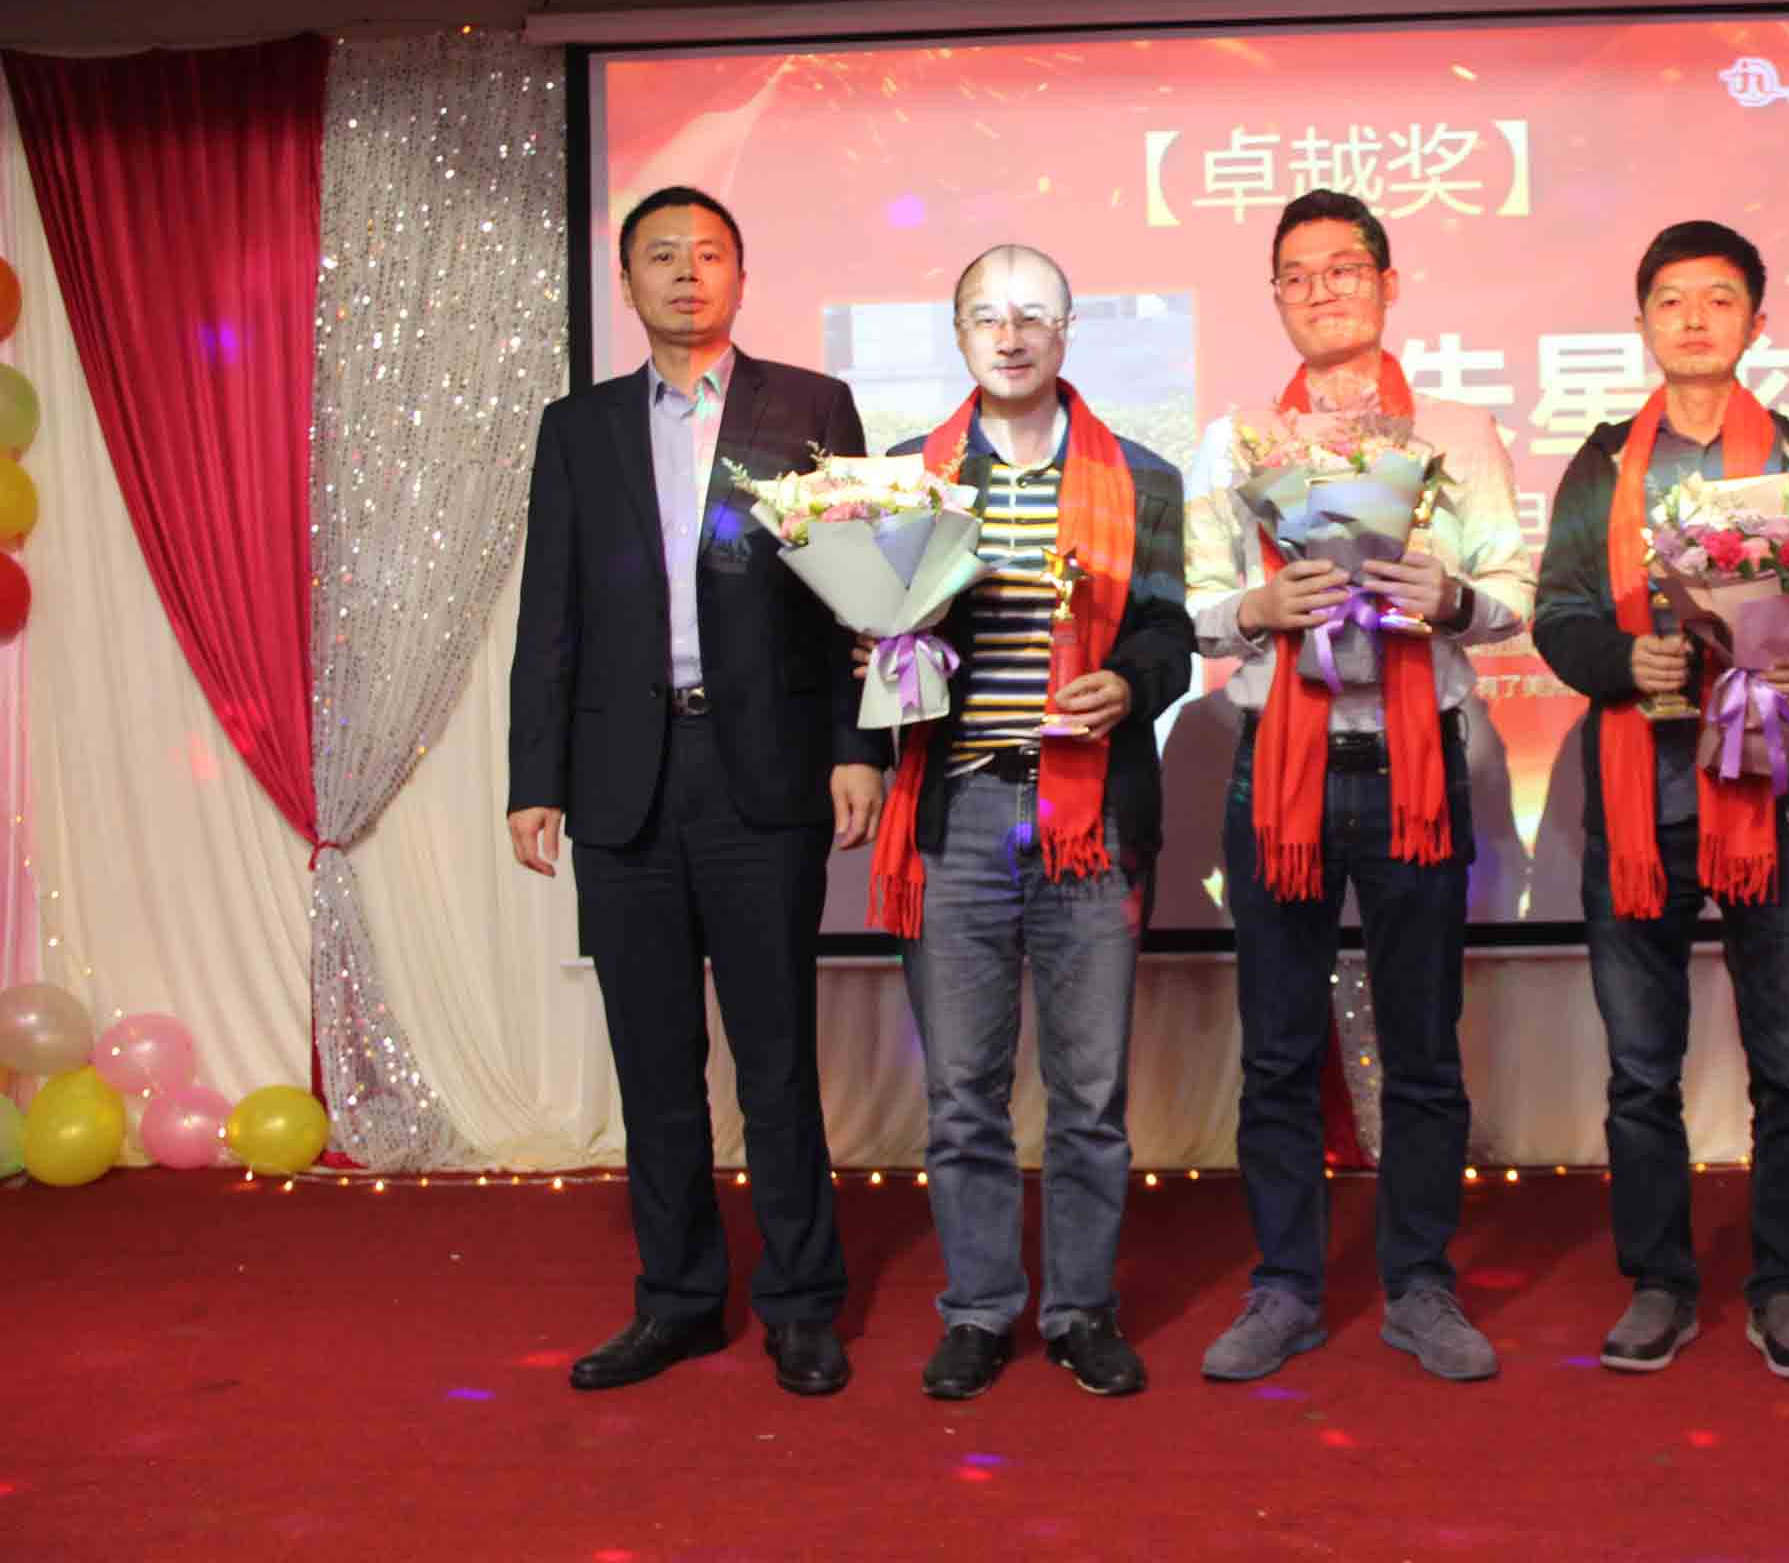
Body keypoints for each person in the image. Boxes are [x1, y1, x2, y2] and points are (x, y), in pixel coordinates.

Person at [506, 186, 879, 1398]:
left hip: (760, 768)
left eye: (708, 253)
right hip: (623, 781)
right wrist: (534, 776)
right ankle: (675, 1301)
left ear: (740, 276)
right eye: (660, 256)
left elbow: (855, 589)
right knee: (654, 1064)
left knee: (776, 1061)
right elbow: (549, 609)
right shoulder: (579, 428)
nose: (685, 272)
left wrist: (858, 746)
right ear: (627, 284)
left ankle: (802, 1304)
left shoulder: (810, 407)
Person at [1185, 189, 1534, 1383]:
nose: (1322, 292)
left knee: (1424, 1048)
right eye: (1298, 275)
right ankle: (1283, 1286)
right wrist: (1254, 607)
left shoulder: (1458, 432)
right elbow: (1193, 603)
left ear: (1388, 283)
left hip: (1416, 763)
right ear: (1276, 298)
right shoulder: (1237, 442)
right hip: (1276, 772)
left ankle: (1420, 1285)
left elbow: (1515, 591)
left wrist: (1455, 599)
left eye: (1345, 270)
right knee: (1278, 1050)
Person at [1534, 220, 1789, 1382]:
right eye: (1671, 299)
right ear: (1641, 322)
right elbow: (1559, 612)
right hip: (1640, 806)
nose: (1693, 318)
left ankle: (1784, 1286)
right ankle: (1661, 1281)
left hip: (1775, 804)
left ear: (1756, 323)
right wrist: (1619, 661)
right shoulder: (1602, 464)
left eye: (1719, 299)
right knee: (1642, 1073)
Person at [864, 244, 1192, 1400]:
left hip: (1088, 814)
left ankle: (1083, 1310)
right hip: (957, 806)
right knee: (963, 1092)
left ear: (1067, 331)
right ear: (959, 332)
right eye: (987, 317)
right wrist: (875, 652)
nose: (1010, 336)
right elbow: (873, 630)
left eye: (1033, 316)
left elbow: (1168, 627)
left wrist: (1132, 685)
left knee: (1090, 1095)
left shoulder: (1142, 478)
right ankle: (978, 1310)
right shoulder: (906, 477)